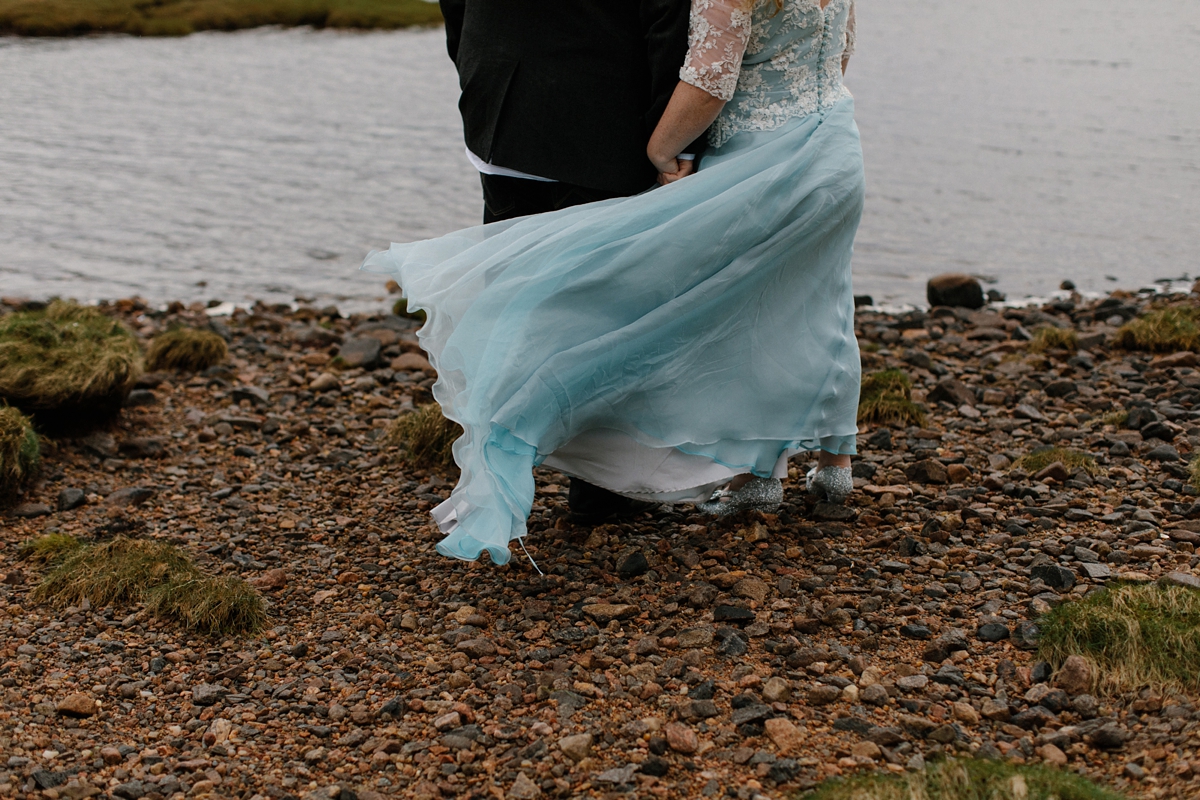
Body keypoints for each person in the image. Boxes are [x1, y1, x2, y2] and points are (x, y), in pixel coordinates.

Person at [365, 0, 863, 566]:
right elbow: (832, 53)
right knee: (812, 300)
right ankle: (828, 466)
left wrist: (658, 147)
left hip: (529, 113)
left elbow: (710, 76)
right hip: (829, 144)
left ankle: (548, 454)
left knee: (560, 303)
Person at [437, 0, 702, 523]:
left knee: (514, 309)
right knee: (605, 317)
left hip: (503, 112)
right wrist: (671, 140)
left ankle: (502, 477)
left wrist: (480, 69)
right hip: (605, 125)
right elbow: (667, 22)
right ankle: (599, 490)